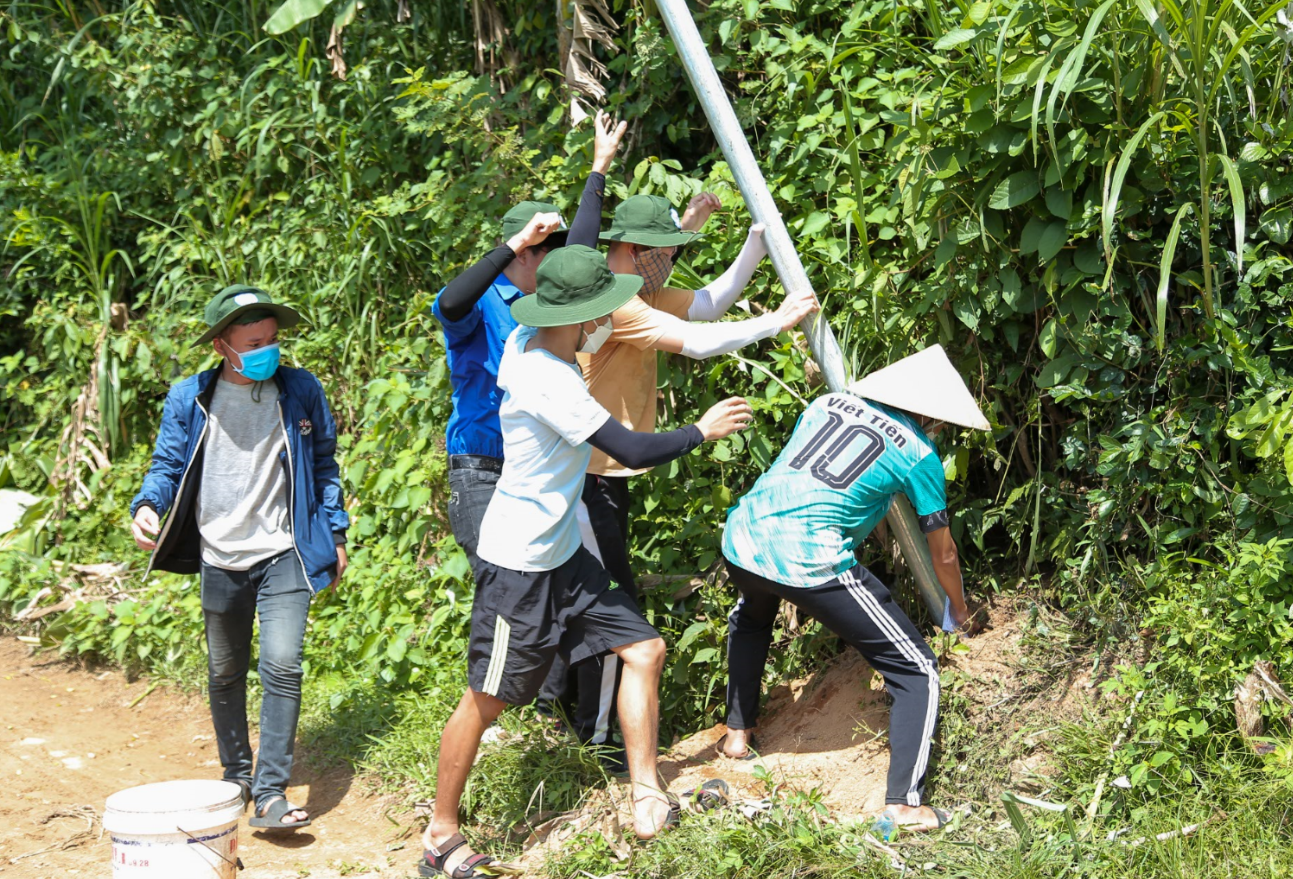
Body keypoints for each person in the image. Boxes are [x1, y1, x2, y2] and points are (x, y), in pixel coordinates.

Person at [418, 245, 752, 877]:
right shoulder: (548, 379)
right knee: (488, 699)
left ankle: (646, 797)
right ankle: (441, 834)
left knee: (644, 649)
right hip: (519, 566)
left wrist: (592, 196)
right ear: (580, 317)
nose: (609, 319)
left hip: (562, 554)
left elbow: (576, 254)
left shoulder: (531, 337)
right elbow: (629, 448)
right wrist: (701, 431)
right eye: (603, 309)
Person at [538, 192, 819, 752]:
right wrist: (774, 322)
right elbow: (698, 342)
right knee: (615, 612)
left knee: (601, 602)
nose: (671, 260)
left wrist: (756, 243)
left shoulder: (640, 293)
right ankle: (599, 743)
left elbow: (709, 305)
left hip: (605, 476)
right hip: (586, 478)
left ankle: (569, 718)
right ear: (633, 251)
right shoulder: (619, 302)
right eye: (663, 252)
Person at [717, 344, 989, 834]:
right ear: (933, 416)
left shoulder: (827, 403)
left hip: (743, 536)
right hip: (811, 556)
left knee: (752, 618)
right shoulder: (919, 453)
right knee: (918, 670)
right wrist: (960, 609)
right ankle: (905, 806)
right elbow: (943, 554)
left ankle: (738, 734)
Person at [129, 285, 348, 832]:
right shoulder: (191, 397)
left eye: (272, 339)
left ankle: (271, 792)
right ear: (221, 346)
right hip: (219, 554)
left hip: (284, 549)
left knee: (283, 664)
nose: (267, 350)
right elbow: (167, 463)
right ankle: (237, 776)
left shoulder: (300, 390)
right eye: (253, 343)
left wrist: (335, 532)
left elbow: (324, 464)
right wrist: (148, 504)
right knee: (225, 671)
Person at [433, 111, 626, 573]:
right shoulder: (484, 300)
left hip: (537, 464)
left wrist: (598, 169)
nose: (560, 264)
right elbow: (450, 304)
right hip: (483, 467)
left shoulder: (549, 304)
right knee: (505, 588)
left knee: (556, 591)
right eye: (546, 252)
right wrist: (518, 239)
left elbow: (579, 253)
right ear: (524, 255)